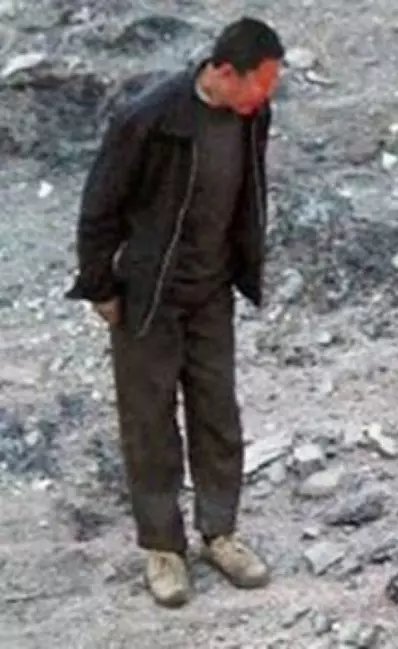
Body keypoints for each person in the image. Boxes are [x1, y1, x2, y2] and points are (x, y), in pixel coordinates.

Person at [65, 17, 285, 608]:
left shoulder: (252, 115)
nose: (268, 95)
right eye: (262, 83)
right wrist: (100, 288)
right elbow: (99, 208)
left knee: (218, 413)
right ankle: (163, 548)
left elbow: (248, 192)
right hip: (148, 294)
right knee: (150, 421)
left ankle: (221, 533)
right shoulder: (149, 120)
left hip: (211, 292)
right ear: (225, 72)